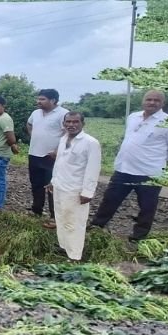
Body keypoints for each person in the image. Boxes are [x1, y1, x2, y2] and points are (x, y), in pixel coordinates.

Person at [90, 89, 168, 242]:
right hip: (123, 169)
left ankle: (138, 236)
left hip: (150, 173)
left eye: (156, 100)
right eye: (149, 99)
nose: (152, 102)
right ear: (143, 101)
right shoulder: (133, 117)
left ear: (163, 103)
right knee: (109, 200)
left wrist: (155, 162)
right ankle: (96, 227)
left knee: (147, 207)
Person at [48, 111, 101, 261]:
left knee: (74, 222)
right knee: (60, 217)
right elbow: (58, 163)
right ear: (64, 124)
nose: (71, 125)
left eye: (75, 122)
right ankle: (64, 246)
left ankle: (75, 255)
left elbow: (93, 169)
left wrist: (88, 192)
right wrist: (53, 181)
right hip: (60, 186)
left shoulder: (90, 143)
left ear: (83, 124)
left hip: (75, 189)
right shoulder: (63, 139)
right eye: (68, 122)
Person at [26, 88, 68, 225]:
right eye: (38, 99)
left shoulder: (63, 114)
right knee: (36, 184)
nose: (38, 102)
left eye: (42, 99)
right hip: (34, 154)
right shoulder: (36, 113)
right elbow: (29, 124)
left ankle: (54, 216)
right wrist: (33, 135)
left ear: (53, 100)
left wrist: (58, 149)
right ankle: (36, 210)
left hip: (51, 157)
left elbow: (68, 132)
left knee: (53, 186)